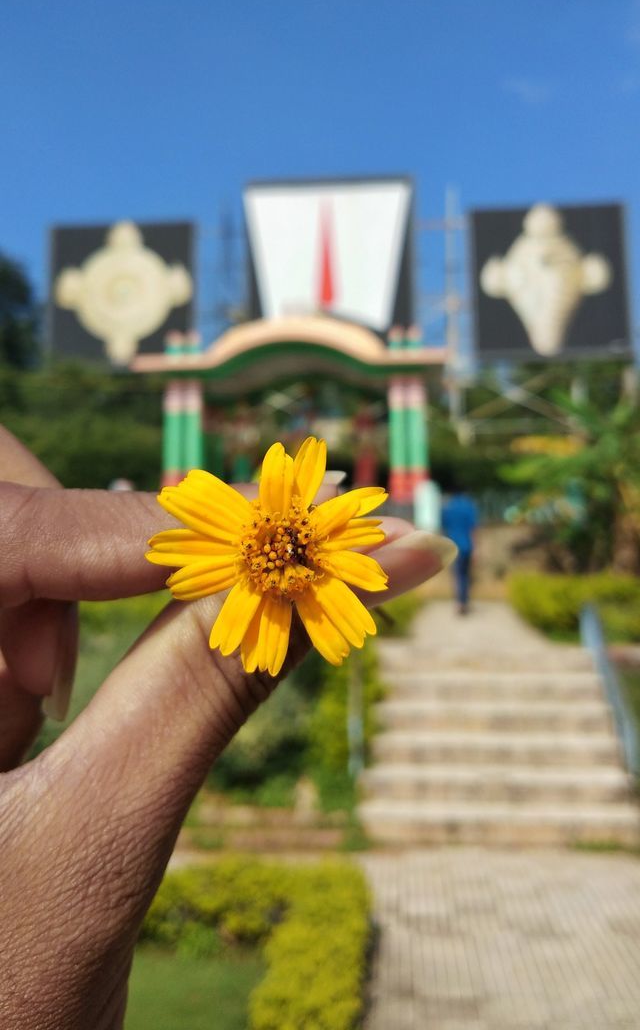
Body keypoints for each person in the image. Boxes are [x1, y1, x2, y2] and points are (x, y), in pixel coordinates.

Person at [0, 424, 451, 1030]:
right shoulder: (242, 553)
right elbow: (190, 567)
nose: (282, 552)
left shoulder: (308, 554)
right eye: (276, 548)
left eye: (287, 547)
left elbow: (355, 537)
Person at [441, 478, 478, 614]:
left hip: (453, 547)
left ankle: (459, 602)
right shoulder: (469, 506)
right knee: (465, 575)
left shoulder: (448, 507)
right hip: (467, 545)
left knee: (457, 575)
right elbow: (473, 529)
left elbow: (443, 528)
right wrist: (476, 549)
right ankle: (464, 601)